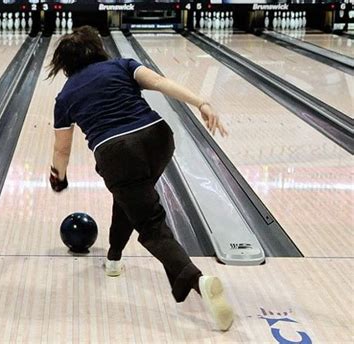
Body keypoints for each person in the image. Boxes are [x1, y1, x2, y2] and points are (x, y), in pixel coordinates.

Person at [48, 26, 233, 331]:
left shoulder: (65, 95)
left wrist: (59, 177)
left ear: (64, 64)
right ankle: (114, 257)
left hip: (117, 153)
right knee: (130, 198)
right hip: (158, 138)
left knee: (151, 226)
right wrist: (202, 102)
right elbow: (160, 83)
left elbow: (62, 149)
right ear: (98, 49)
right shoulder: (122, 65)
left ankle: (198, 281)